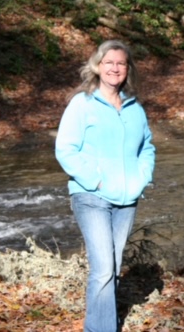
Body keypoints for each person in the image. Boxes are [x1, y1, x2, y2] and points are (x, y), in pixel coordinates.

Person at [55, 40, 155, 332]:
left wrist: (142, 177)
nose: (114, 68)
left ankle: (103, 322)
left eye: (121, 63)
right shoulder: (82, 104)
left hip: (127, 200)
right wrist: (94, 179)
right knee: (103, 270)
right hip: (91, 196)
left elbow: (147, 146)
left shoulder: (134, 108)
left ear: (128, 69)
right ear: (97, 66)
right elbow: (65, 149)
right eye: (108, 62)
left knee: (112, 267)